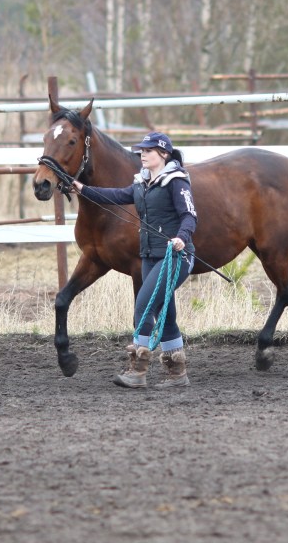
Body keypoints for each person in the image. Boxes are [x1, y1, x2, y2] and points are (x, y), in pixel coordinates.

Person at [71, 131, 196, 389]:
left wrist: (182, 237)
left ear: (163, 153)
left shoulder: (176, 181)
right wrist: (83, 189)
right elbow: (116, 196)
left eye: (148, 150)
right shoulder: (142, 182)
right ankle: (177, 373)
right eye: (141, 151)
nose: (142, 154)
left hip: (175, 256)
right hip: (149, 255)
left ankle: (137, 370)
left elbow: (189, 215)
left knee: (143, 305)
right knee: (164, 313)